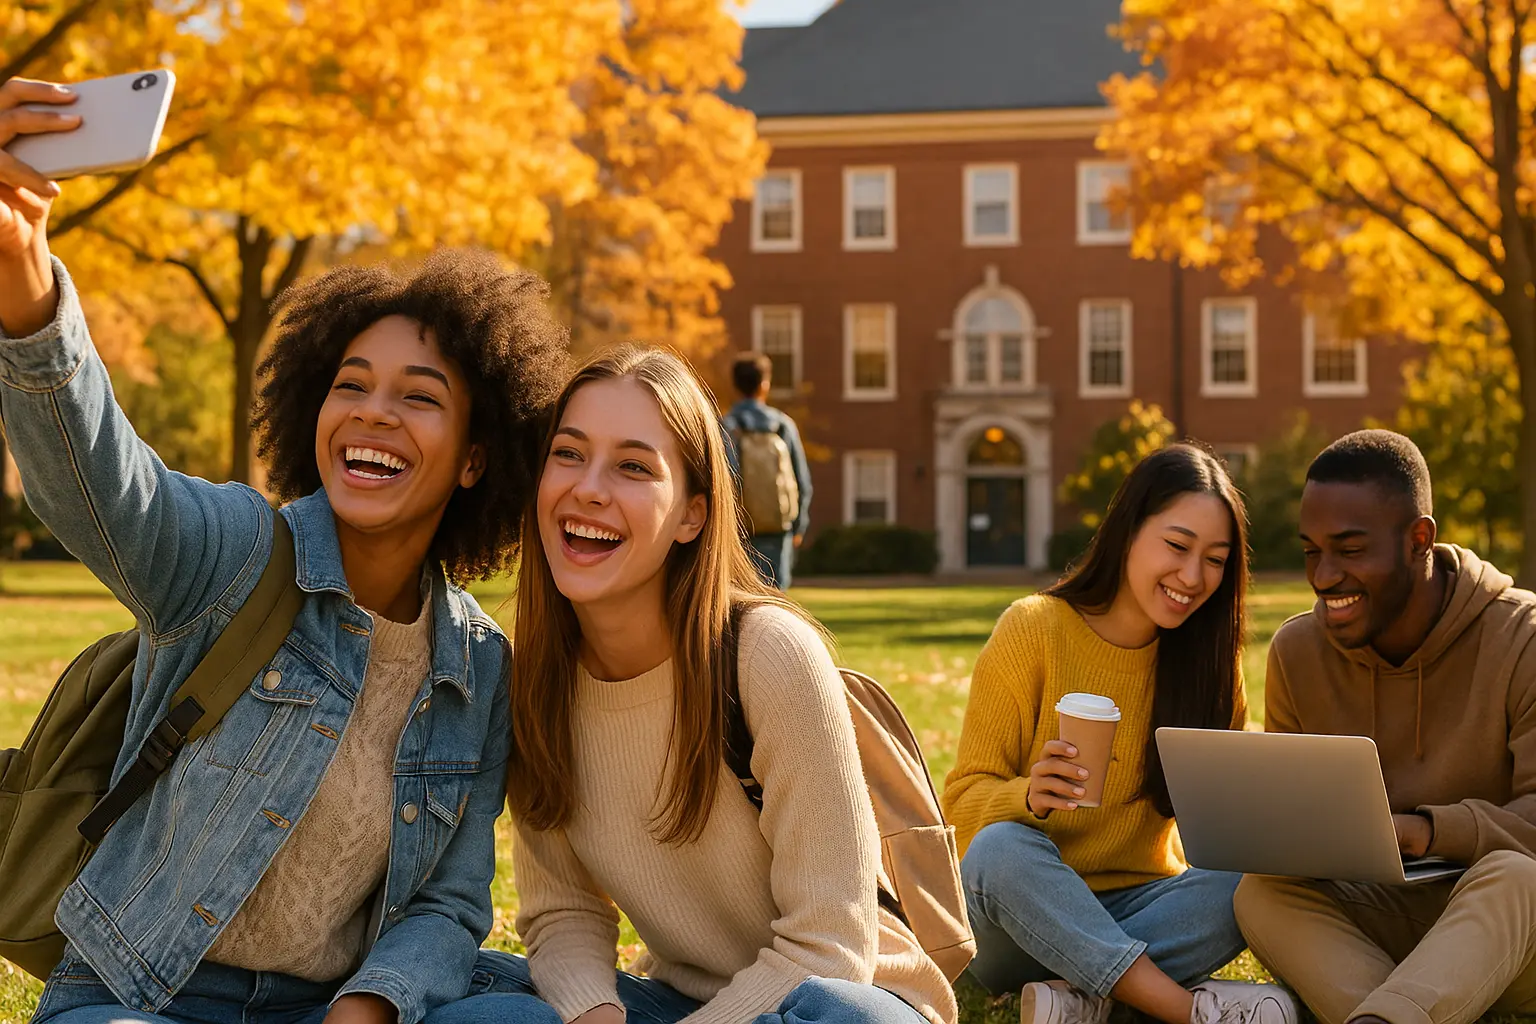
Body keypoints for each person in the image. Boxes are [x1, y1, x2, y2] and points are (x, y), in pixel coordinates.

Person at [0, 77, 571, 1024]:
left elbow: (450, 902)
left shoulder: (475, 666)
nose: (374, 413)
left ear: (477, 459)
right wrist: (23, 281)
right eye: (353, 385)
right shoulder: (233, 555)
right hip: (142, 998)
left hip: (326, 1005)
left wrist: (367, 1009)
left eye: (420, 396)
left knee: (516, 1018)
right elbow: (99, 479)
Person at [437, 345, 956, 1024]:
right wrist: (597, 1014)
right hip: (682, 1001)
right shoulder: (536, 681)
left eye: (632, 466)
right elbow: (562, 910)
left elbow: (831, 946)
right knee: (470, 994)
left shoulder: (768, 655)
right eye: (568, 454)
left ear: (693, 514)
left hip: (839, 996)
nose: (588, 487)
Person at [943, 444, 1298, 1024]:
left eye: (1215, 558)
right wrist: (1026, 795)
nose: (1192, 576)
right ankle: (1182, 1010)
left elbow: (1223, 832)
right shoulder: (1033, 630)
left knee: (1258, 870)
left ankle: (1079, 998)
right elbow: (957, 813)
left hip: (1146, 901)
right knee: (999, 851)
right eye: (1178, 546)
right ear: (1129, 530)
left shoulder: (1210, 662)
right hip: (1021, 912)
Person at [1234, 429, 1536, 1024]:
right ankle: (1397, 1014)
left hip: (1510, 931)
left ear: (1419, 539)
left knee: (1517, 875)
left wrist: (1426, 831)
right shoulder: (1298, 651)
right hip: (1384, 931)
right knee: (1261, 892)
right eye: (1311, 551)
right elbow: (1295, 830)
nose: (1323, 577)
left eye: (1349, 550)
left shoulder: (1521, 638)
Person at [720, 351, 811, 589]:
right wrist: (798, 527)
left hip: (739, 533)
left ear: (735, 386)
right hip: (778, 529)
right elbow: (803, 483)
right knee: (775, 604)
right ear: (765, 384)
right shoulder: (783, 426)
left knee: (738, 601)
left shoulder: (726, 427)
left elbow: (722, 483)